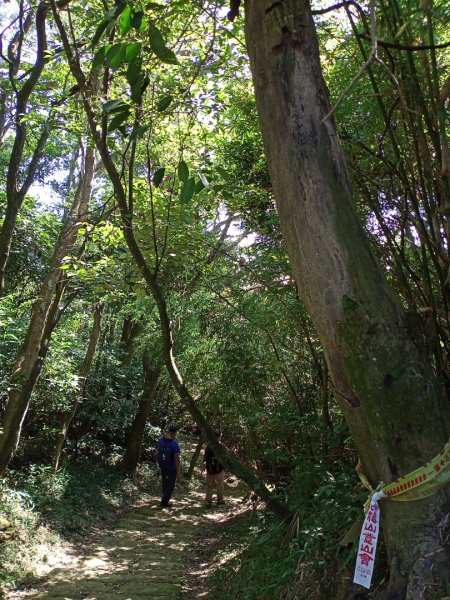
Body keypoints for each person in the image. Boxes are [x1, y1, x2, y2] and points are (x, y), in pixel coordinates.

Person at [157, 425, 181, 508]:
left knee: (164, 483)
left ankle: (164, 498)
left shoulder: (160, 441)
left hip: (163, 466)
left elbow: (158, 452)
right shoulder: (174, 444)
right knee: (170, 484)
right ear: (174, 433)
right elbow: (177, 457)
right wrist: (178, 469)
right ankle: (165, 501)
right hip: (172, 467)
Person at [203, 431, 225, 508]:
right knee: (220, 484)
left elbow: (205, 457)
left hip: (210, 469)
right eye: (220, 436)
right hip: (220, 468)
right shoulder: (221, 446)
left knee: (210, 486)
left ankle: (208, 501)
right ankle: (220, 500)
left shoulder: (208, 446)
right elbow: (225, 457)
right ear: (219, 437)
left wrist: (203, 466)